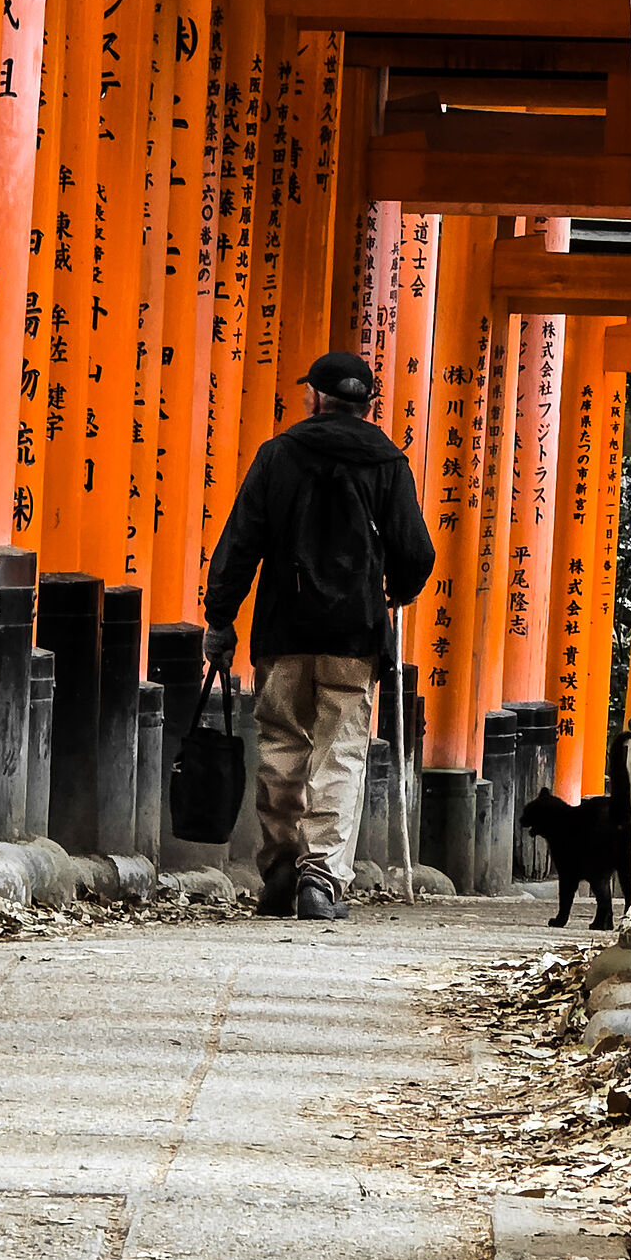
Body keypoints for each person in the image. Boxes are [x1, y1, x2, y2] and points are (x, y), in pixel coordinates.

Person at [202, 350, 435, 922]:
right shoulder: (388, 463)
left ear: (315, 397)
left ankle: (281, 868)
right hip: (354, 632)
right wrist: (398, 590)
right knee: (341, 749)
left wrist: (220, 618)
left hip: (285, 625)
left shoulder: (278, 456)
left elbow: (240, 543)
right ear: (366, 404)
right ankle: (322, 875)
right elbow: (415, 551)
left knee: (281, 744)